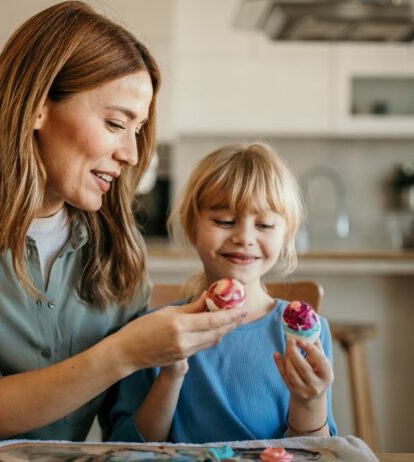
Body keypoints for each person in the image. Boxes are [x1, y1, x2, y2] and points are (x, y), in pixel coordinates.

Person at [0, 2, 246, 445]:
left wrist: (171, 368)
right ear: (37, 108)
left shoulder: (119, 249)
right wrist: (124, 353)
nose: (131, 153)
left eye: (138, 129)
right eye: (115, 123)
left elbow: (127, 434)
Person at [108, 143, 337, 443]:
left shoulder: (307, 335)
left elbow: (313, 450)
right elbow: (128, 446)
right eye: (224, 221)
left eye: (265, 224)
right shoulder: (153, 329)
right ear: (192, 227)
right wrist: (171, 375)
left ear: (286, 235)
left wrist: (309, 400)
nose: (244, 237)